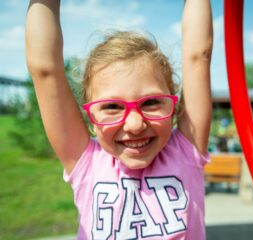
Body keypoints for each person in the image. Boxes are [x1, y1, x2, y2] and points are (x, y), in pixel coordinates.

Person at [26, 0, 213, 239]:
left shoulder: (186, 151)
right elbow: (45, 70)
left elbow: (198, 56)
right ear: (91, 119)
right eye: (112, 106)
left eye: (151, 102)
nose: (135, 124)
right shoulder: (87, 164)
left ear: (173, 106)